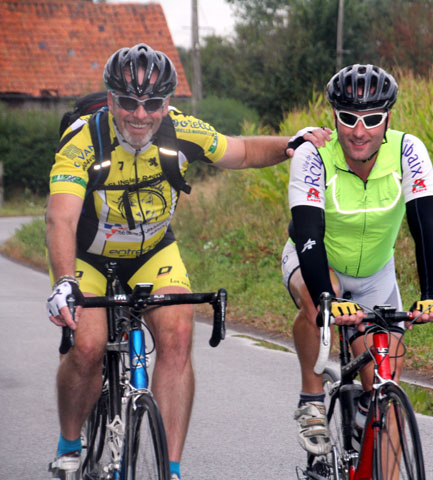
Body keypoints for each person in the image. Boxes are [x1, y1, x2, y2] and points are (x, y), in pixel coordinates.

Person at [45, 43, 329, 480]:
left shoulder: (180, 131)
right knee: (87, 345)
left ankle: (169, 469)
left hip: (152, 253)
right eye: (128, 103)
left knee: (178, 332)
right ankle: (69, 444)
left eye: (152, 104)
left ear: (167, 104)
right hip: (88, 258)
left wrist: (292, 144)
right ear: (111, 100)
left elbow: (243, 152)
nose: (140, 115)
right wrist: (65, 280)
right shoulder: (84, 139)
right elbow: (60, 218)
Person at [280, 64, 433, 456]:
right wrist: (328, 299)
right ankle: (312, 400)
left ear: (387, 117)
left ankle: (366, 425)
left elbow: (425, 227)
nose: (359, 131)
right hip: (318, 261)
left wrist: (432, 294)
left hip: (376, 275)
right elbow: (307, 234)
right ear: (334, 117)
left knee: (385, 386)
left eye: (372, 119)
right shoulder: (314, 154)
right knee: (319, 300)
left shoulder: (408, 150)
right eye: (348, 118)